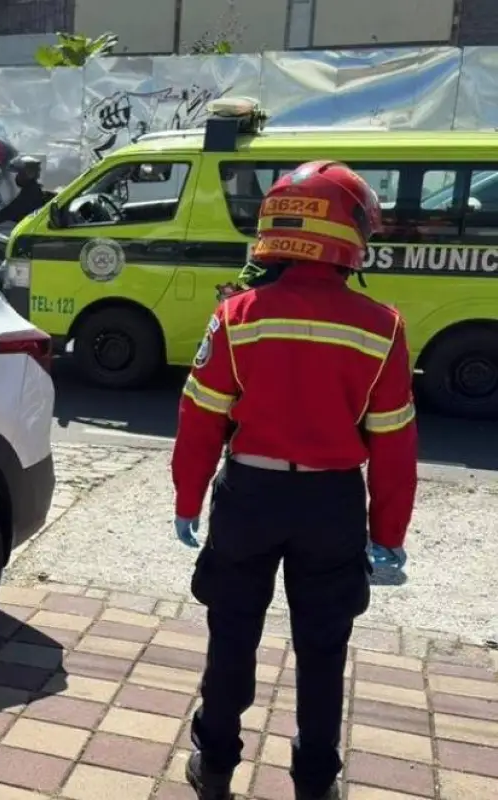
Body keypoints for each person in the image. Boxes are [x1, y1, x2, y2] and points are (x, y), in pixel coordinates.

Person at [171, 161, 417, 800]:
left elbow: (200, 417)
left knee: (231, 636)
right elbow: (393, 442)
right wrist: (387, 533)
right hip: (331, 504)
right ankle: (315, 781)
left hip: (248, 497)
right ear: (350, 233)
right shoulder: (382, 327)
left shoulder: (239, 313)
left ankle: (216, 765)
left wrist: (187, 496)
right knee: (323, 648)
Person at [0, 155, 52, 230]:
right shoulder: (33, 189)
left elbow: (8, 212)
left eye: (20, 173)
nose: (17, 177)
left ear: (28, 174)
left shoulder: (29, 194)